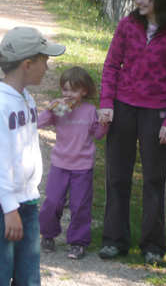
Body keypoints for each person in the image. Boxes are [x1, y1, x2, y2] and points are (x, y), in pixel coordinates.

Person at [97, 0, 166, 265]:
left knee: (153, 179)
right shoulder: (127, 25)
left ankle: (152, 245)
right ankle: (114, 240)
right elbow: (112, 65)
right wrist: (106, 103)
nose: (139, 0)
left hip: (157, 113)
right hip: (123, 108)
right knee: (117, 177)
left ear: (161, 1)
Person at [0, 26, 65, 286]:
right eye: (44, 61)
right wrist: (9, 208)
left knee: (29, 279)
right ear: (27, 64)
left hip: (26, 201)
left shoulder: (26, 98)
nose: (47, 67)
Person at [38, 67, 108, 260]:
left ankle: (78, 242)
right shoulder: (60, 108)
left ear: (84, 91)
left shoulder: (89, 111)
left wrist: (104, 122)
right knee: (52, 201)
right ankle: (48, 235)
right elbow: (38, 123)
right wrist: (50, 109)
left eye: (73, 90)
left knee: (79, 205)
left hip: (82, 166)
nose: (68, 94)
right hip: (60, 163)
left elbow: (99, 135)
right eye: (65, 89)